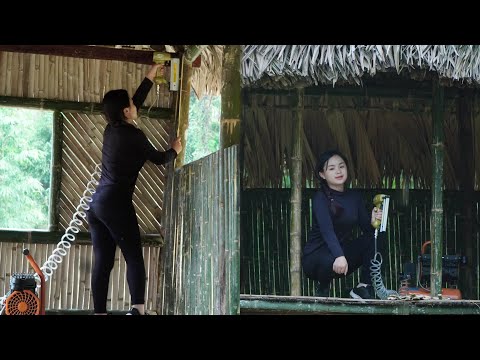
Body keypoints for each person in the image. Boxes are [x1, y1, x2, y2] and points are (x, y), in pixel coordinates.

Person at [87, 64, 182, 315]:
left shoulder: (111, 129)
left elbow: (134, 103)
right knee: (133, 256)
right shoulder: (134, 136)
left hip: (97, 206)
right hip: (116, 205)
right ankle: (138, 310)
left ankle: (99, 313)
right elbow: (160, 158)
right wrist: (175, 150)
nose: (134, 106)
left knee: (103, 263)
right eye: (131, 104)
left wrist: (149, 77)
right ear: (126, 112)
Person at [301, 149, 383, 299]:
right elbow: (327, 231)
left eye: (341, 166)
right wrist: (339, 256)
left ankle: (362, 287)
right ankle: (323, 286)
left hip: (341, 257)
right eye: (331, 168)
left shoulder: (354, 197)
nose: (338, 171)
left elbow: (367, 230)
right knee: (329, 258)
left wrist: (372, 221)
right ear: (322, 174)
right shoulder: (320, 198)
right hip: (316, 258)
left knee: (374, 240)